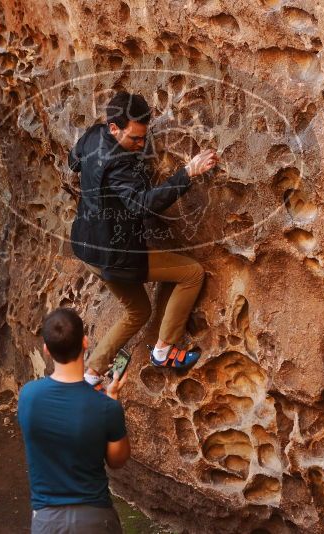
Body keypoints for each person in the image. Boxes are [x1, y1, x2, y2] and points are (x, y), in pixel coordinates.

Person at [68, 91, 219, 386]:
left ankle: (91, 373)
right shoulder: (121, 163)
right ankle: (164, 350)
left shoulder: (92, 135)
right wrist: (187, 173)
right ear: (114, 128)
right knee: (192, 273)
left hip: (87, 249)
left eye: (143, 138)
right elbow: (141, 204)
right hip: (114, 255)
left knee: (138, 310)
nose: (141, 145)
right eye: (135, 139)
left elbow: (73, 162)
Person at [18, 308, 130, 534]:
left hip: (47, 520)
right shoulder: (106, 407)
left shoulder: (28, 396)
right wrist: (112, 400)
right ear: (85, 342)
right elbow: (117, 461)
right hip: (96, 519)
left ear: (46, 350)